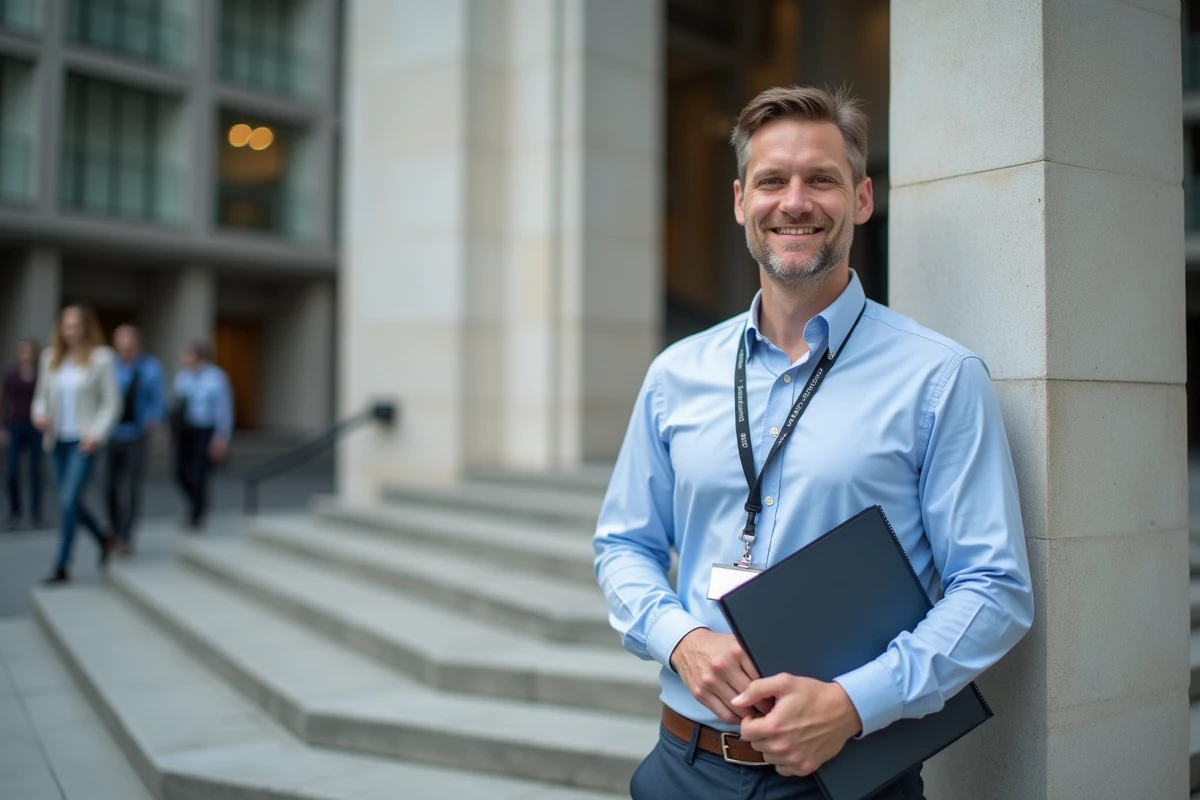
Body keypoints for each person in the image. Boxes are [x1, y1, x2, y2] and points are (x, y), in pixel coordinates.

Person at [593, 86, 1034, 800]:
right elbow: (622, 544)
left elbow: (994, 588)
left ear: (861, 199)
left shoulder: (940, 378)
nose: (794, 203)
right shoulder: (675, 374)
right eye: (772, 180)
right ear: (741, 201)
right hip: (683, 766)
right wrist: (681, 638)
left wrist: (854, 703)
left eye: (821, 179)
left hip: (849, 777)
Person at [33, 305, 121, 584]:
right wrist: (40, 414)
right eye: (66, 326)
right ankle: (103, 537)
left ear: (86, 327)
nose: (70, 331)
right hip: (56, 440)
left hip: (83, 442)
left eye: (75, 326)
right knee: (68, 501)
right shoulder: (50, 358)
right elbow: (41, 397)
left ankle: (62, 564)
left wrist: (96, 433)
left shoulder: (102, 358)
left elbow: (112, 402)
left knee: (68, 500)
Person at [105, 324, 165, 555]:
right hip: (112, 433)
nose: (125, 347)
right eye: (121, 343)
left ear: (138, 344)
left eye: (129, 343)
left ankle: (126, 536)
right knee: (109, 487)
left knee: (131, 487)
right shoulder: (109, 366)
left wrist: (152, 419)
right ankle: (115, 527)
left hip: (137, 435)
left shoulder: (151, 368)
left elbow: (158, 400)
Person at [171, 341, 232, 529]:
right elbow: (176, 403)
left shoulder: (216, 377)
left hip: (205, 430)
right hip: (185, 430)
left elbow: (224, 409)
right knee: (180, 473)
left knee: (200, 473)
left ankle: (197, 512)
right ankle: (198, 503)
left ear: (199, 356)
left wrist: (221, 438)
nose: (185, 359)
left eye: (188, 355)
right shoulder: (183, 376)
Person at [2, 339, 43, 530]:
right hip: (16, 424)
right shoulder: (11, 375)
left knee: (35, 472)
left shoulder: (40, 375)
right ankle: (15, 511)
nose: (27, 356)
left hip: (35, 426)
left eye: (30, 352)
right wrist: (2, 426)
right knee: (12, 471)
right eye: (23, 352)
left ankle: (36, 514)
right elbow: (3, 400)